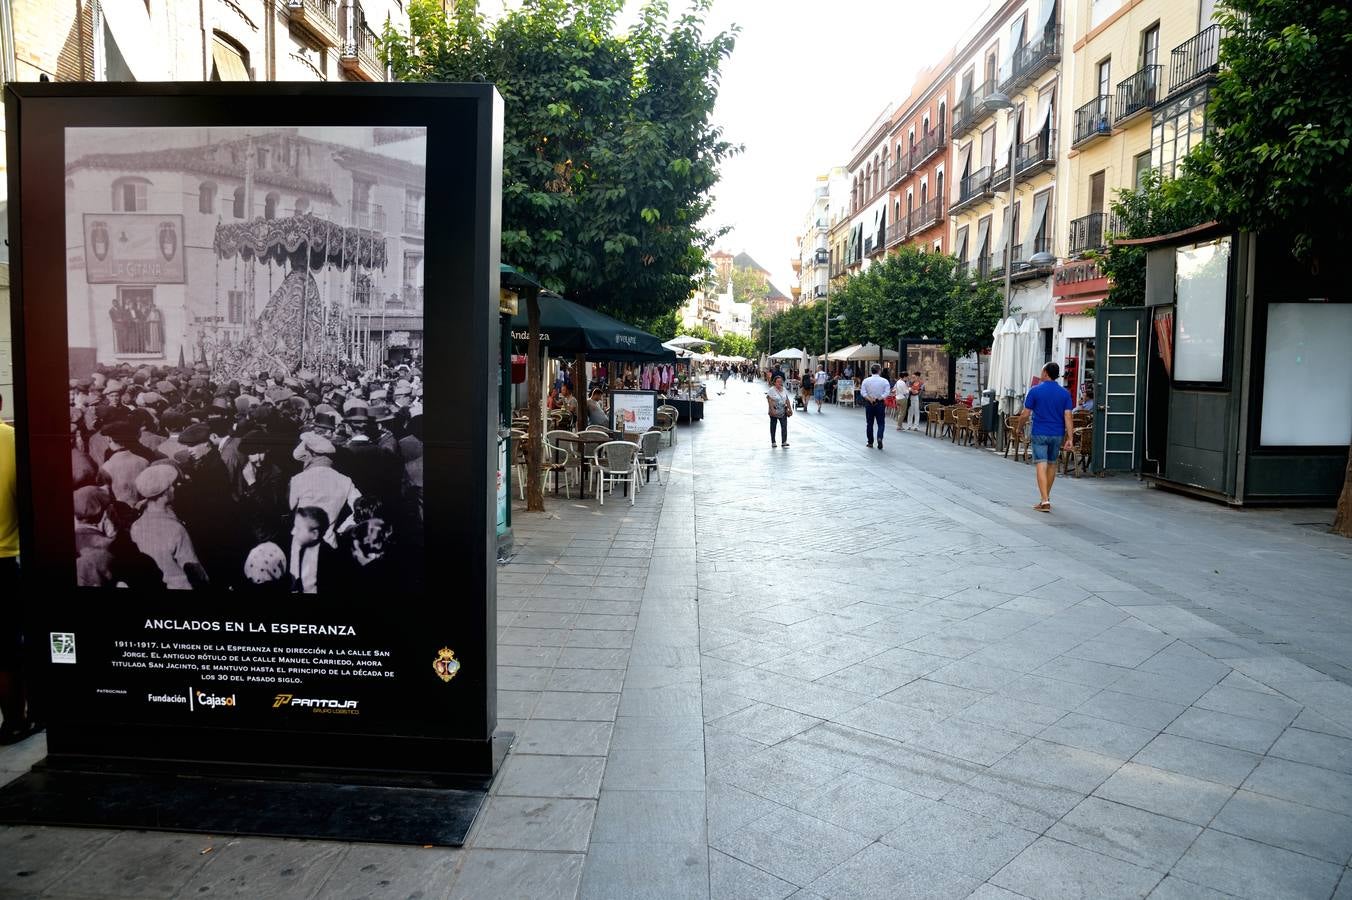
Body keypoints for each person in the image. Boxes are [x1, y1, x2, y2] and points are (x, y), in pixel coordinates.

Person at [1019, 362, 1075, 513]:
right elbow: (1068, 416)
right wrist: (1070, 437)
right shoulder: (1065, 393)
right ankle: (1045, 498)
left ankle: (1044, 500)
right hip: (1057, 433)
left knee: (1041, 464)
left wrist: (1019, 428)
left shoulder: (1035, 391)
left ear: (1045, 373)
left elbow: (1025, 414)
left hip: (1040, 432)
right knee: (1052, 464)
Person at [859, 364, 891, 449]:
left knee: (869, 423)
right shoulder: (884, 381)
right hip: (880, 403)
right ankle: (879, 437)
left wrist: (869, 399)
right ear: (879, 370)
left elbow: (863, 392)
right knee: (881, 423)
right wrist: (879, 398)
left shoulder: (866, 380)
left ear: (871, 371)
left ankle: (870, 442)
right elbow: (887, 392)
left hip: (869, 404)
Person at [765, 374, 791, 448]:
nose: (780, 383)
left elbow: (787, 399)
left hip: (783, 410)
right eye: (778, 382)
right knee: (773, 426)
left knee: (784, 426)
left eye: (781, 381)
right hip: (774, 410)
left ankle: (784, 442)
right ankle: (773, 442)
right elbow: (769, 400)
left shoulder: (784, 389)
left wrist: (790, 409)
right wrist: (772, 410)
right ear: (774, 382)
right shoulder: (771, 390)